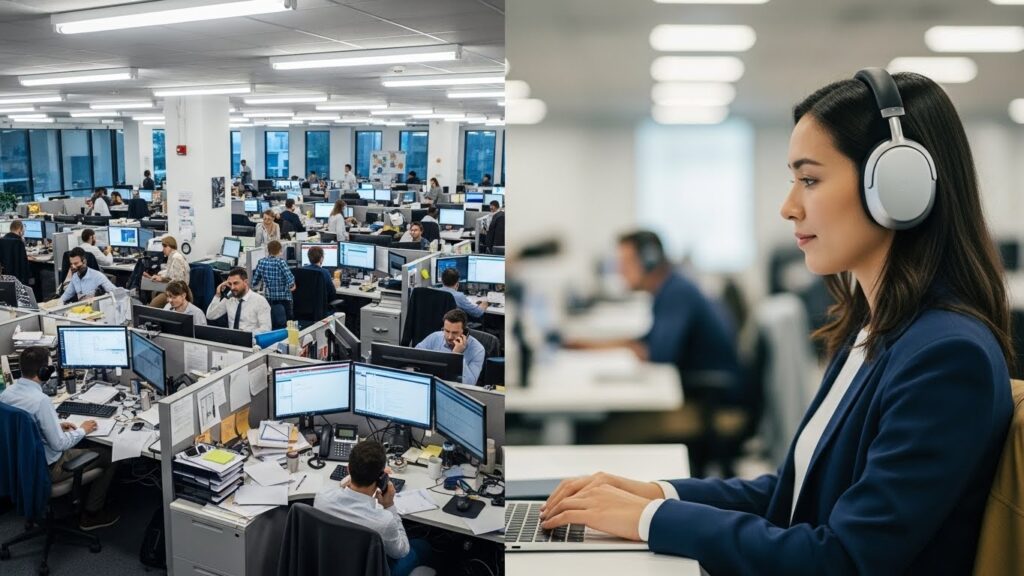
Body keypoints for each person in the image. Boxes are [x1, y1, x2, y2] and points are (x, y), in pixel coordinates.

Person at [539, 70, 1016, 575]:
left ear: (899, 187)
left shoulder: (945, 356)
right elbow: (794, 495)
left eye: (809, 179)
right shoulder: (875, 331)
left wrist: (650, 520)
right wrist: (655, 493)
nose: (788, 207)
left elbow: (843, 559)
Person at [566, 230, 741, 387]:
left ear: (650, 261)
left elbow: (658, 356)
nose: (620, 272)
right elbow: (645, 342)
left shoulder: (677, 293)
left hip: (713, 398)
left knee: (609, 421)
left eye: (626, 263)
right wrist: (586, 345)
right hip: (701, 389)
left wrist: (605, 348)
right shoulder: (669, 287)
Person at [0, 347, 120, 530]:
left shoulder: (6, 394)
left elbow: (24, 426)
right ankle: (91, 515)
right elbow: (59, 444)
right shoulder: (41, 401)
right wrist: (83, 430)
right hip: (48, 468)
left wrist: (56, 425)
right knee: (111, 454)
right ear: (43, 372)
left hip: (22, 464)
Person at [314, 440, 432, 576]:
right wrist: (389, 506)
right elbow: (401, 552)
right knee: (423, 546)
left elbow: (337, 490)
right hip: (369, 570)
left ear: (348, 469)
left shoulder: (322, 498)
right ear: (381, 478)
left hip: (331, 565)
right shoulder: (383, 521)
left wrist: (346, 482)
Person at [415, 309, 484, 385]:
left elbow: (469, 384)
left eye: (455, 332)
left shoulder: (478, 350)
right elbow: (413, 359)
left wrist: (457, 356)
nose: (449, 337)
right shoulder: (435, 337)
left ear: (464, 331)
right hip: (432, 384)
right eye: (446, 331)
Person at [206, 267, 272, 334]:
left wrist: (245, 336)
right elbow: (210, 316)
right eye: (230, 284)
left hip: (252, 341)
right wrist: (218, 294)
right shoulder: (229, 299)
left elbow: (266, 330)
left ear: (245, 282)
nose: (232, 287)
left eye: (235, 283)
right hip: (231, 341)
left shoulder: (260, 301)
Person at [251, 240, 295, 329]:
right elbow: (291, 281)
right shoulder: (281, 262)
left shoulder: (262, 262)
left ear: (268, 250)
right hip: (284, 299)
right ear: (280, 251)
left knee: (274, 322)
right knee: (288, 324)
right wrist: (292, 285)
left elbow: (255, 281)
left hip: (269, 299)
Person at [147, 236, 190, 308]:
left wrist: (164, 285)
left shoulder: (176, 258)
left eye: (165, 247)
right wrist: (161, 278)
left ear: (171, 246)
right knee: (154, 292)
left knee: (153, 305)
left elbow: (179, 282)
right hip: (173, 288)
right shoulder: (172, 257)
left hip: (177, 292)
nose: (163, 249)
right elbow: (172, 276)